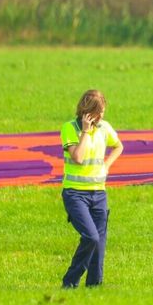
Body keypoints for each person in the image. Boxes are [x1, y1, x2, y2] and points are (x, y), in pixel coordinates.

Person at [60, 89, 123, 288]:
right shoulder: (69, 128)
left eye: (103, 112)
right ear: (87, 111)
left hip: (98, 192)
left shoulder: (104, 127)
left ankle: (94, 286)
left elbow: (119, 146)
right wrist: (85, 132)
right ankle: (70, 281)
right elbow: (78, 157)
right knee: (91, 237)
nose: (101, 116)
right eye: (98, 112)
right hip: (75, 193)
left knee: (100, 242)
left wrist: (107, 165)